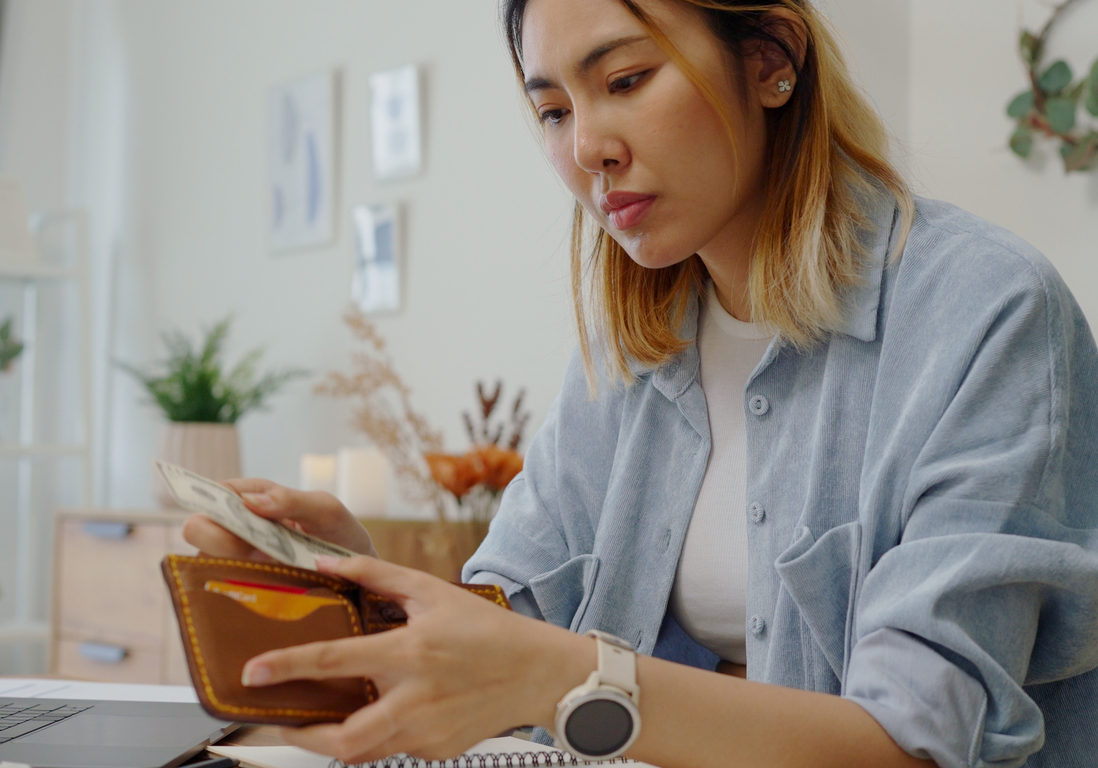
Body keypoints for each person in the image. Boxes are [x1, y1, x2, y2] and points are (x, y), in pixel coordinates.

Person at [183, 0, 1098, 765]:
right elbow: (515, 628)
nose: (587, 147)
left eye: (624, 81)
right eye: (551, 110)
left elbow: (913, 745)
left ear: (771, 61)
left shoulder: (986, 311)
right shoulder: (629, 352)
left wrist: (566, 675)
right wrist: (364, 588)